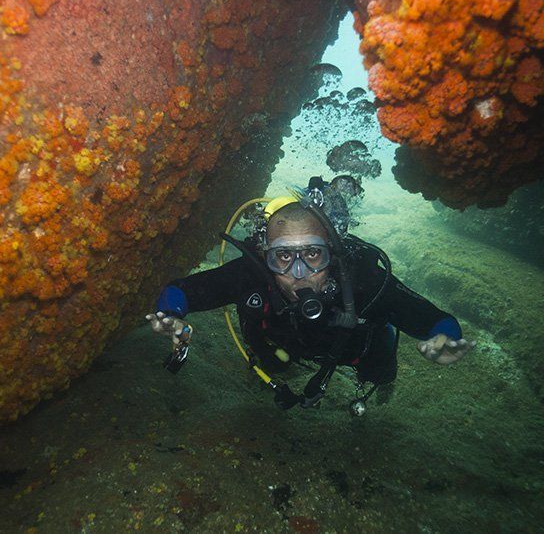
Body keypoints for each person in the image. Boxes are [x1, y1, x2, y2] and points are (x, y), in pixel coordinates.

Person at [145, 176, 474, 411]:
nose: (299, 273)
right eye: (284, 257)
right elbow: (183, 290)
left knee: (380, 373)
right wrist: (171, 315)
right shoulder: (252, 275)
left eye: (313, 255)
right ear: (266, 255)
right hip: (283, 344)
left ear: (332, 253)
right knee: (270, 362)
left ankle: (380, 372)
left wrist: (446, 337)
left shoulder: (362, 281)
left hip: (354, 348)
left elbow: (432, 318)